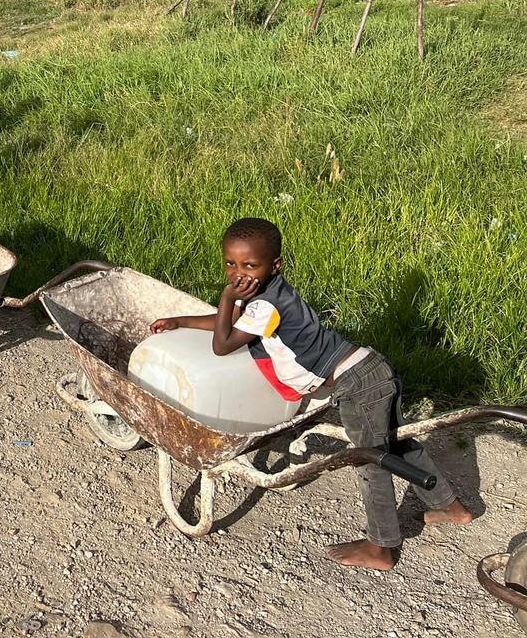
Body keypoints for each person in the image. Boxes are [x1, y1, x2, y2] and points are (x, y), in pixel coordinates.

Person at [149, 217, 472, 570]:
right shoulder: (270, 294)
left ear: (275, 265)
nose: (238, 274)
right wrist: (181, 321)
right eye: (231, 263)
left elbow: (223, 344)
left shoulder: (264, 306)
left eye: (250, 265)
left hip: (357, 383)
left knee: (370, 459)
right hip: (370, 369)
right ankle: (449, 506)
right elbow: (233, 326)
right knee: (395, 443)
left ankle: (381, 548)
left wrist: (227, 296)